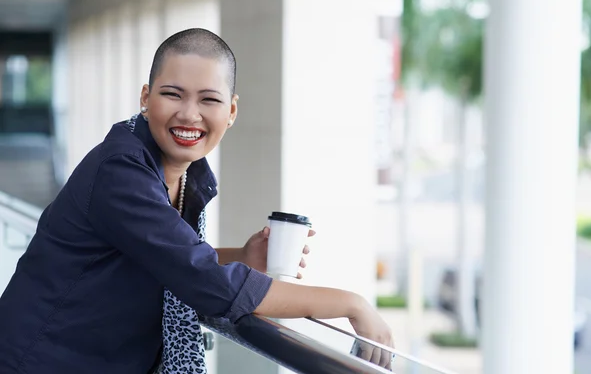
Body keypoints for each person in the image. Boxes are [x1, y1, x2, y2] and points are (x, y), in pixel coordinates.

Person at [0, 28, 394, 373]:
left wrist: (241, 255)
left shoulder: (184, 175)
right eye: (172, 94)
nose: (189, 115)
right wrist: (351, 303)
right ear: (145, 96)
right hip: (39, 361)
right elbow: (208, 284)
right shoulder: (121, 171)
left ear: (232, 110)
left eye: (209, 100)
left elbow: (165, 257)